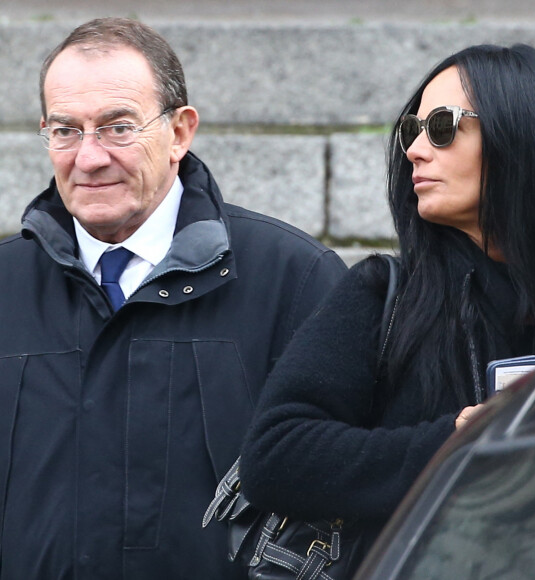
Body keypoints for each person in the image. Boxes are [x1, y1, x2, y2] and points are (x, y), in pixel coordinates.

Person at [0, 17, 346, 579]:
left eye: (117, 128)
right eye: (66, 130)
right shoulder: (5, 285)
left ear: (180, 132)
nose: (88, 157)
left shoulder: (295, 281)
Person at [240, 43, 535, 568]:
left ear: (521, 134)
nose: (416, 149)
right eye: (411, 130)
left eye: (442, 126)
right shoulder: (385, 296)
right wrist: (454, 442)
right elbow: (275, 455)